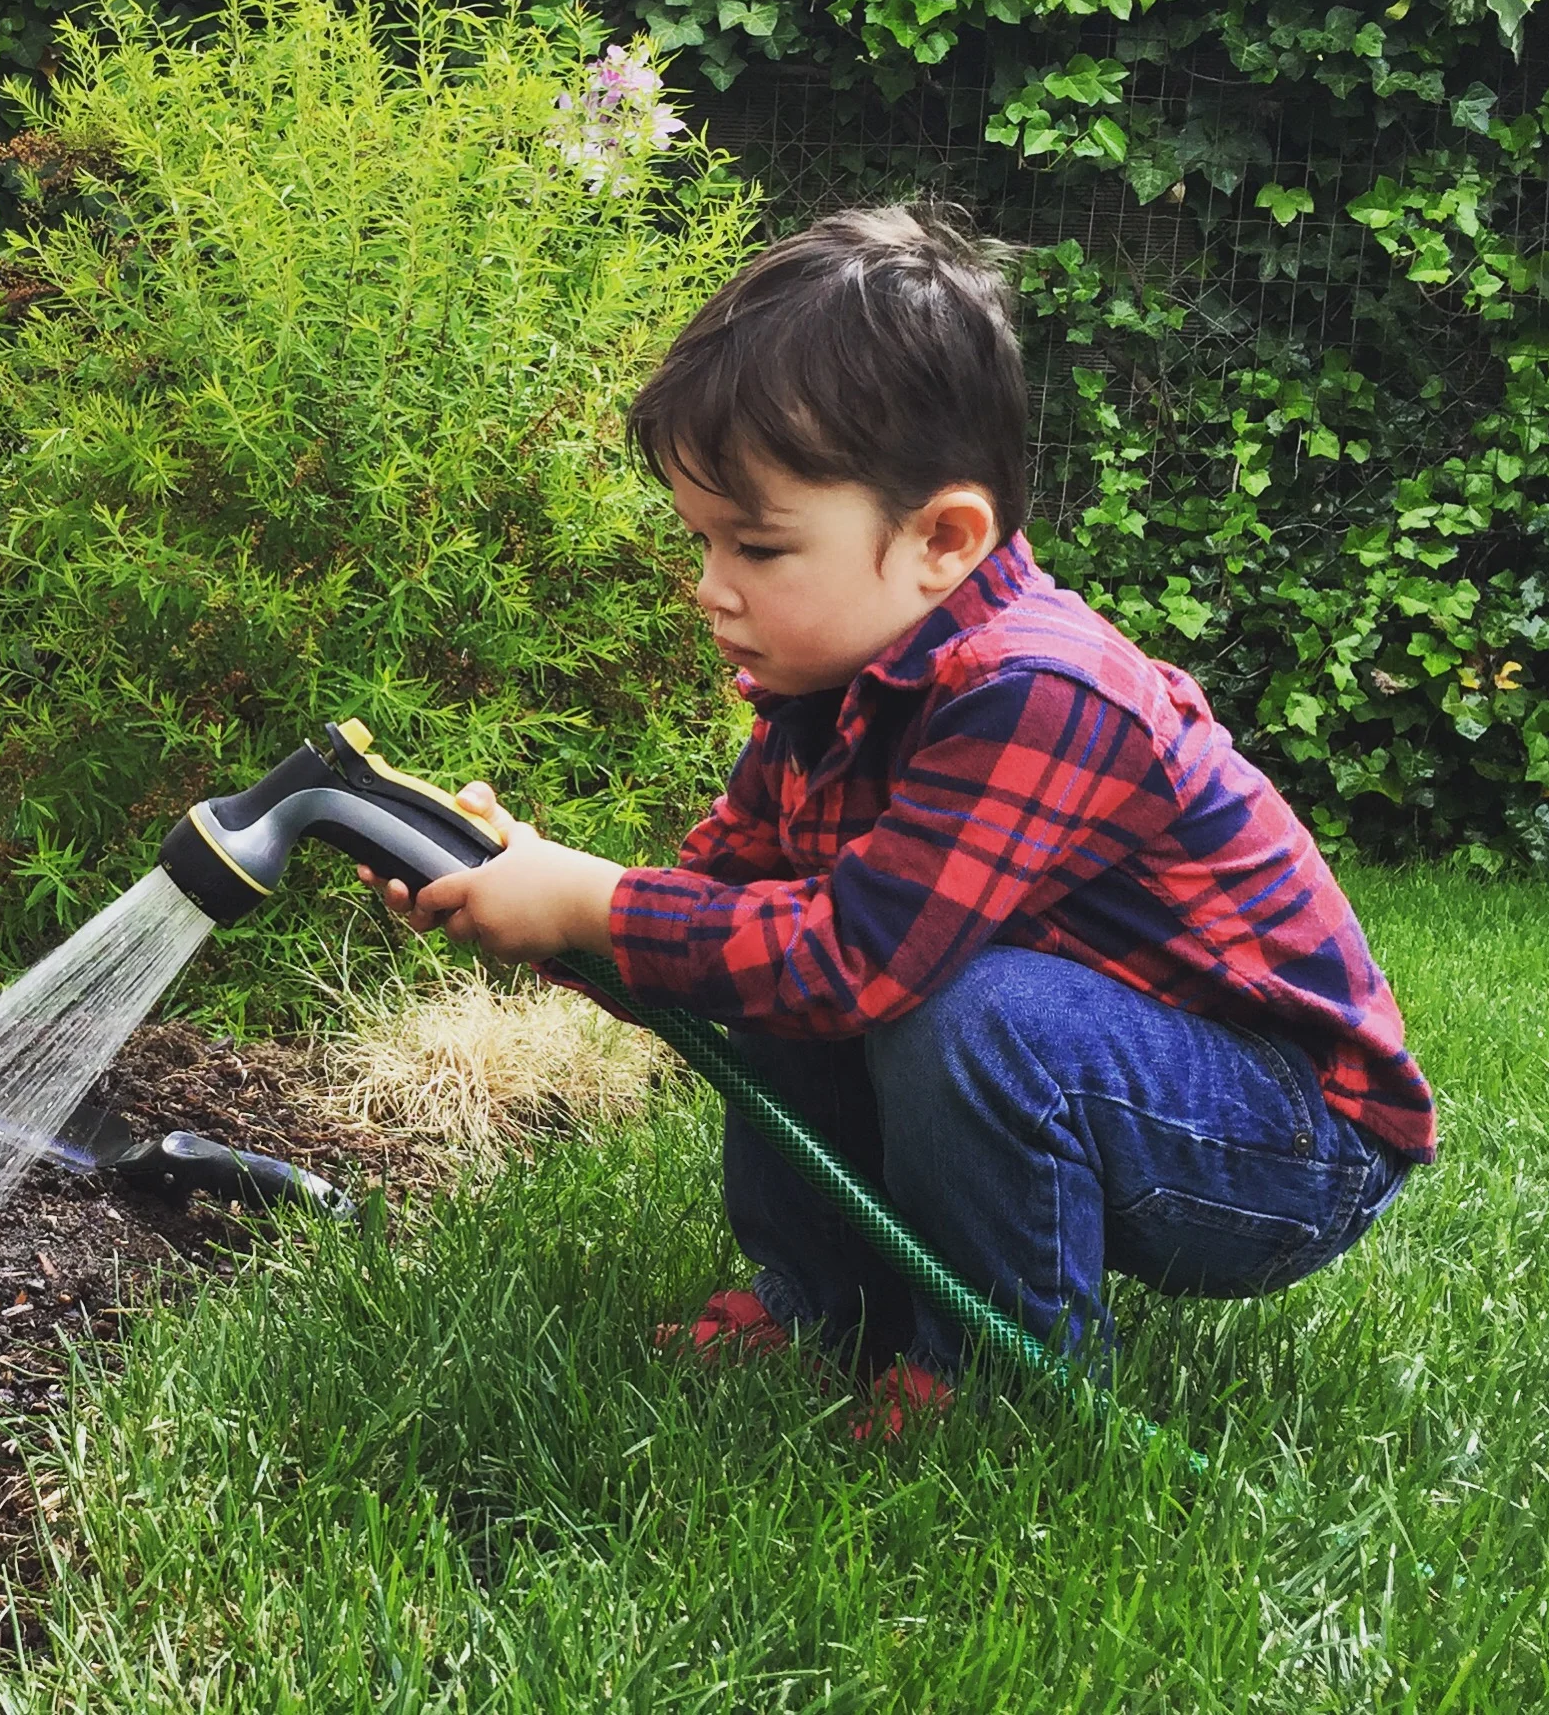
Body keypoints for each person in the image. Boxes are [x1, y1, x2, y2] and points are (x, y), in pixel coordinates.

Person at [362, 204, 1434, 1433]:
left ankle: (1003, 1378)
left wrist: (590, 897)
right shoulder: (821, 700)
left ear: (942, 539)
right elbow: (710, 951)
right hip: (1129, 1081)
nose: (709, 588)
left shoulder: (1040, 688)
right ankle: (830, 1308)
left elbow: (855, 963)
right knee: (770, 944)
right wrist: (518, 897)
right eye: (700, 539)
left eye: (755, 546)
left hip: (1286, 1143)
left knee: (966, 1007)